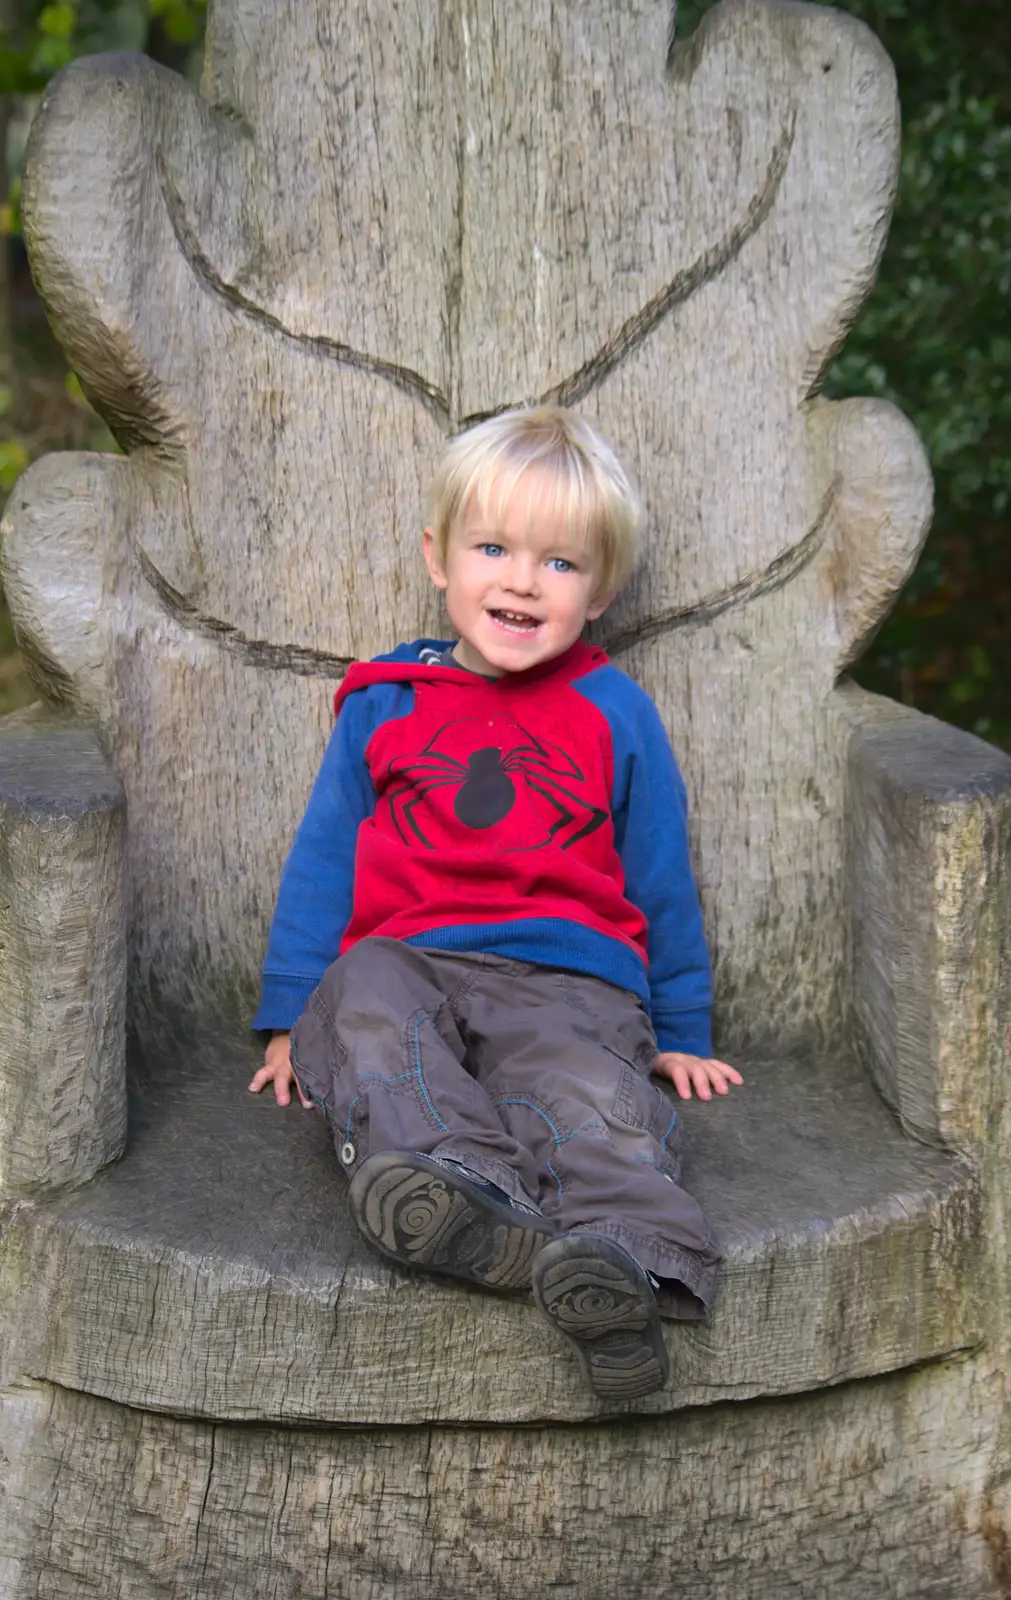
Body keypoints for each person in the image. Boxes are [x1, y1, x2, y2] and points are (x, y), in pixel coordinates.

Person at [250, 406, 742, 1401]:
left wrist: (681, 1026)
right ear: (440, 558)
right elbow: (322, 863)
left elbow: (658, 874)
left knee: (587, 1101)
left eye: (560, 563)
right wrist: (287, 1021)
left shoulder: (612, 712)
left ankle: (621, 1261)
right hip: (411, 959)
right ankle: (464, 1198)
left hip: (567, 981)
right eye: (493, 547)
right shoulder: (385, 700)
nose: (521, 579)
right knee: (366, 1002)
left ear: (598, 589)